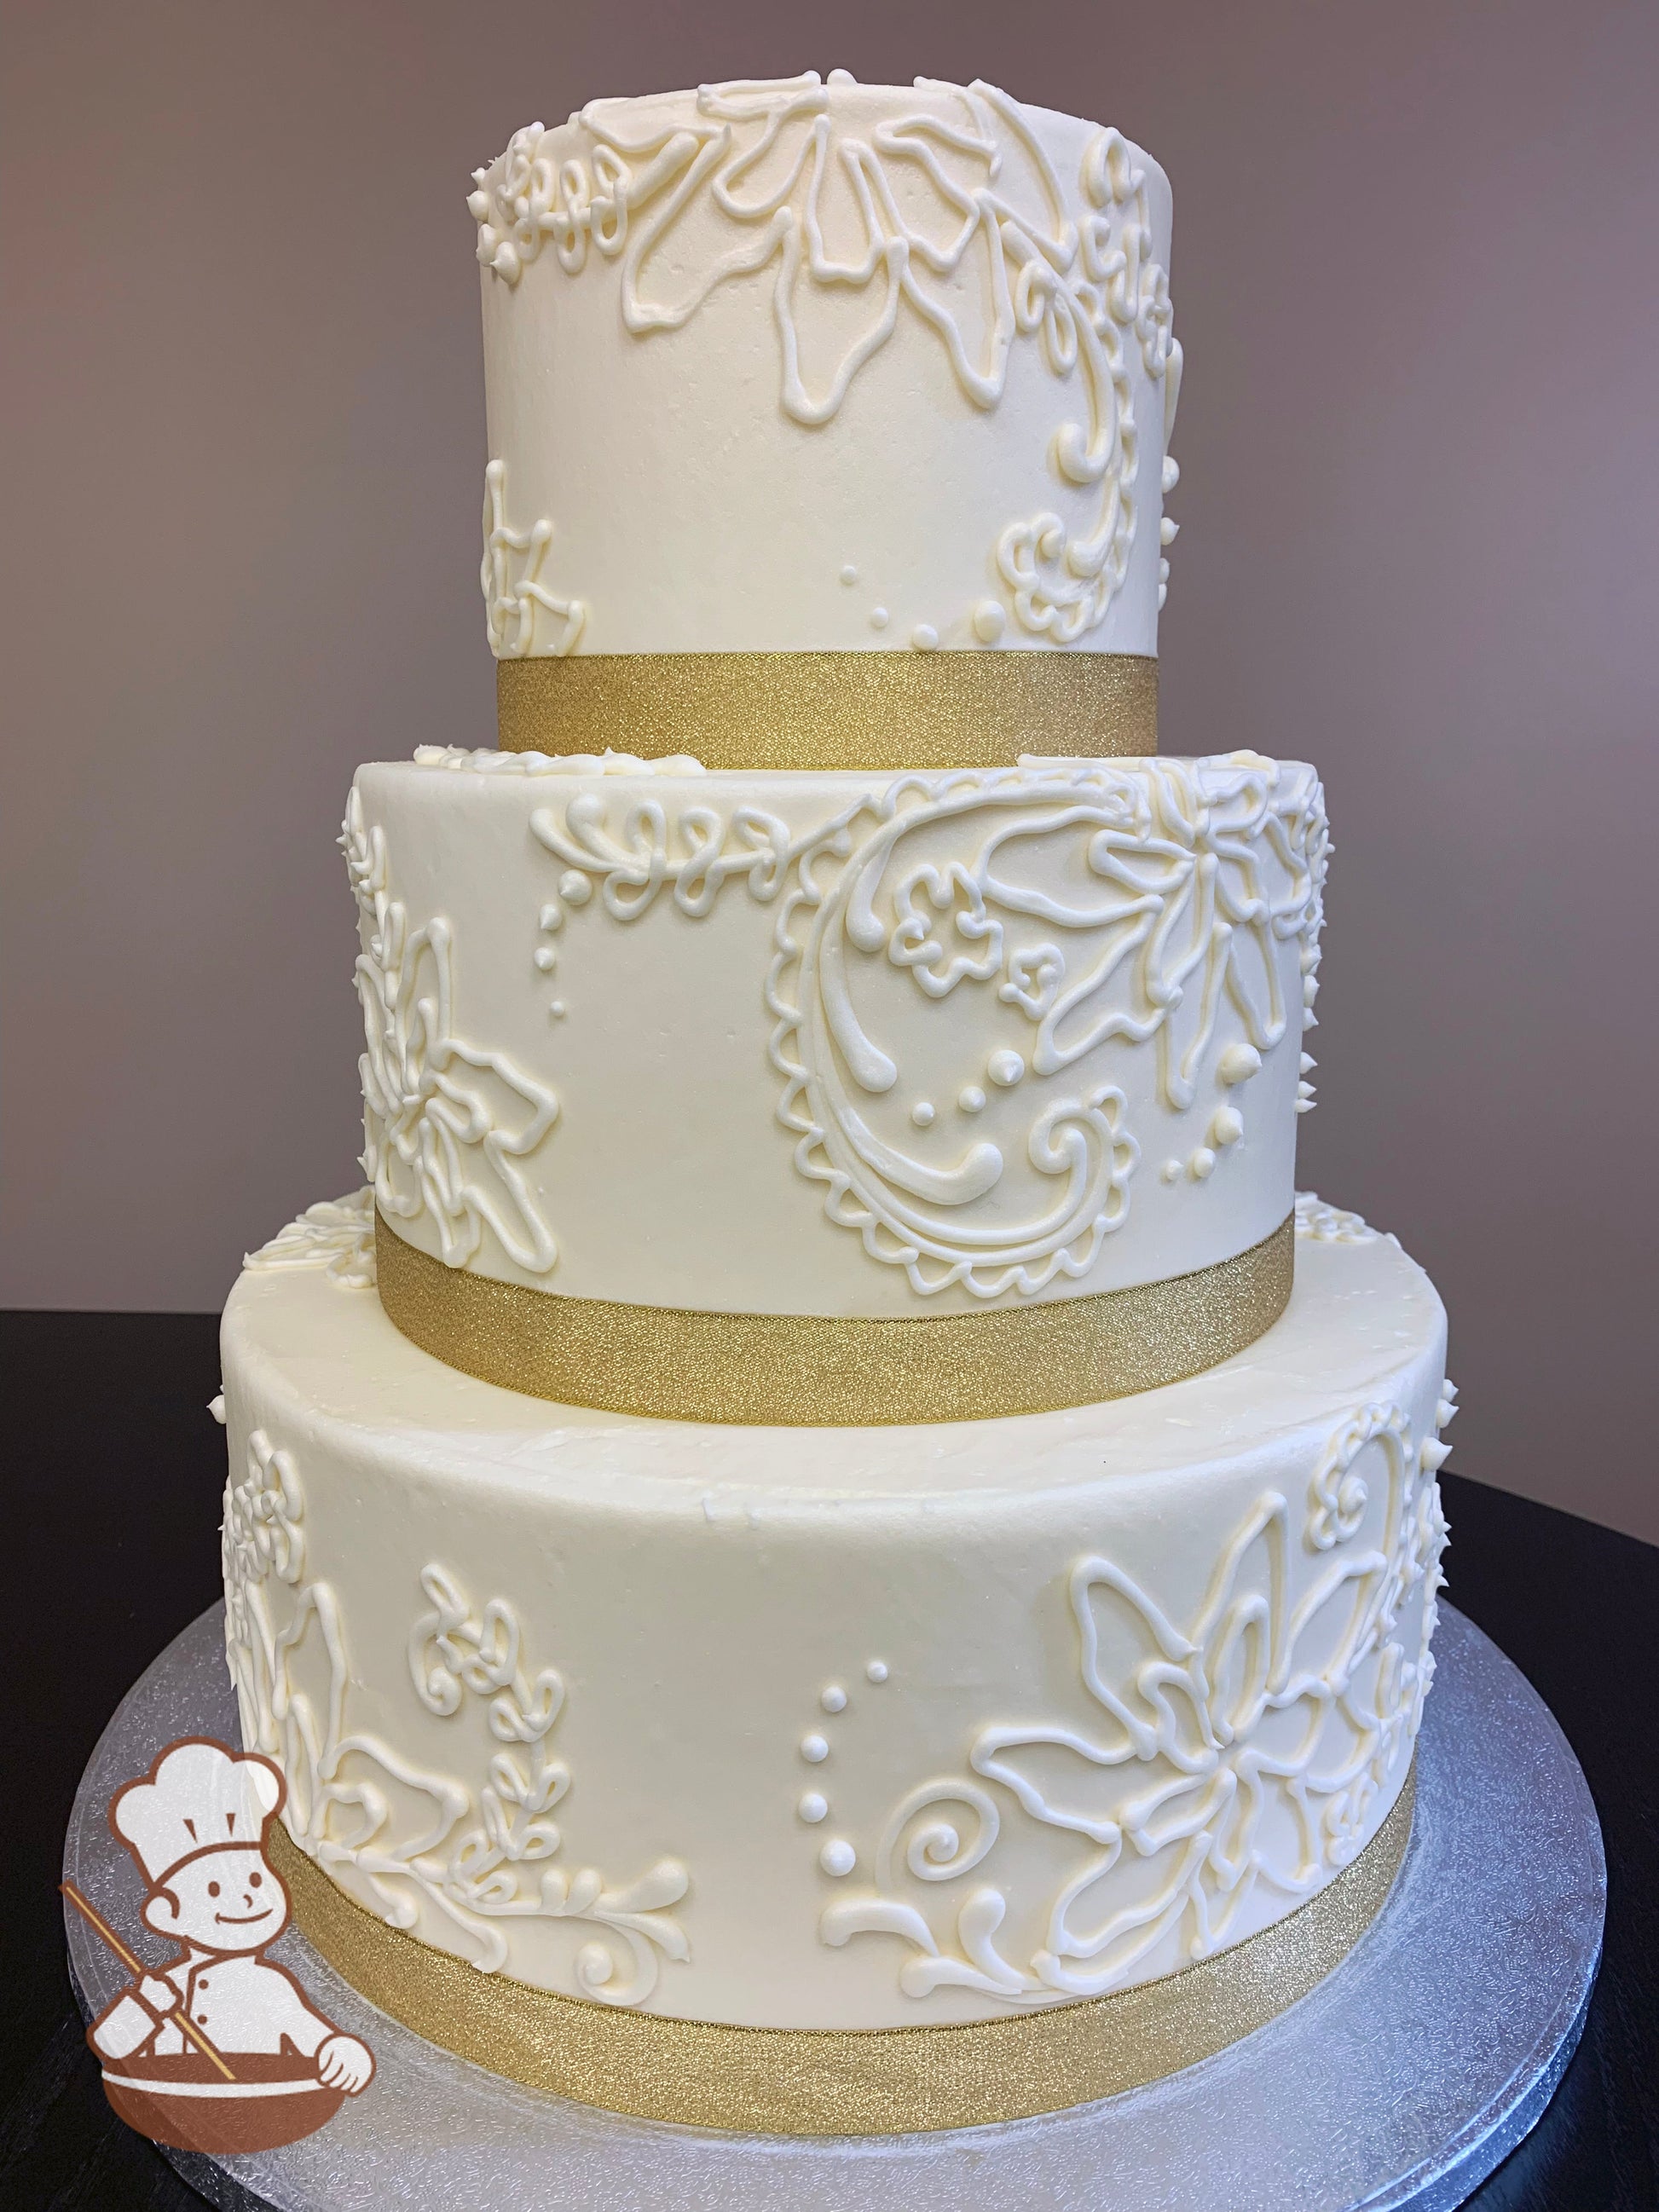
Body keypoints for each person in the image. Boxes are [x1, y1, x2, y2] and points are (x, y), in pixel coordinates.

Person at [88, 1737, 374, 2093]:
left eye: (255, 1880)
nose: (246, 1899)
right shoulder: (167, 1987)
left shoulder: (270, 1986)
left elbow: (315, 2037)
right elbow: (110, 2043)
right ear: (168, 1915)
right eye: (213, 1889)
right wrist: (146, 2006)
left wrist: (343, 2052)